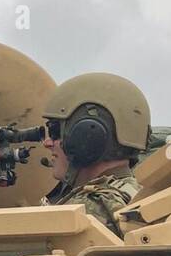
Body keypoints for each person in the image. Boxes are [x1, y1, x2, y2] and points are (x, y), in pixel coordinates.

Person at [40, 73, 151, 235]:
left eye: (55, 131)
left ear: (88, 134)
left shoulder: (88, 209)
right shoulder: (140, 194)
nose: (47, 143)